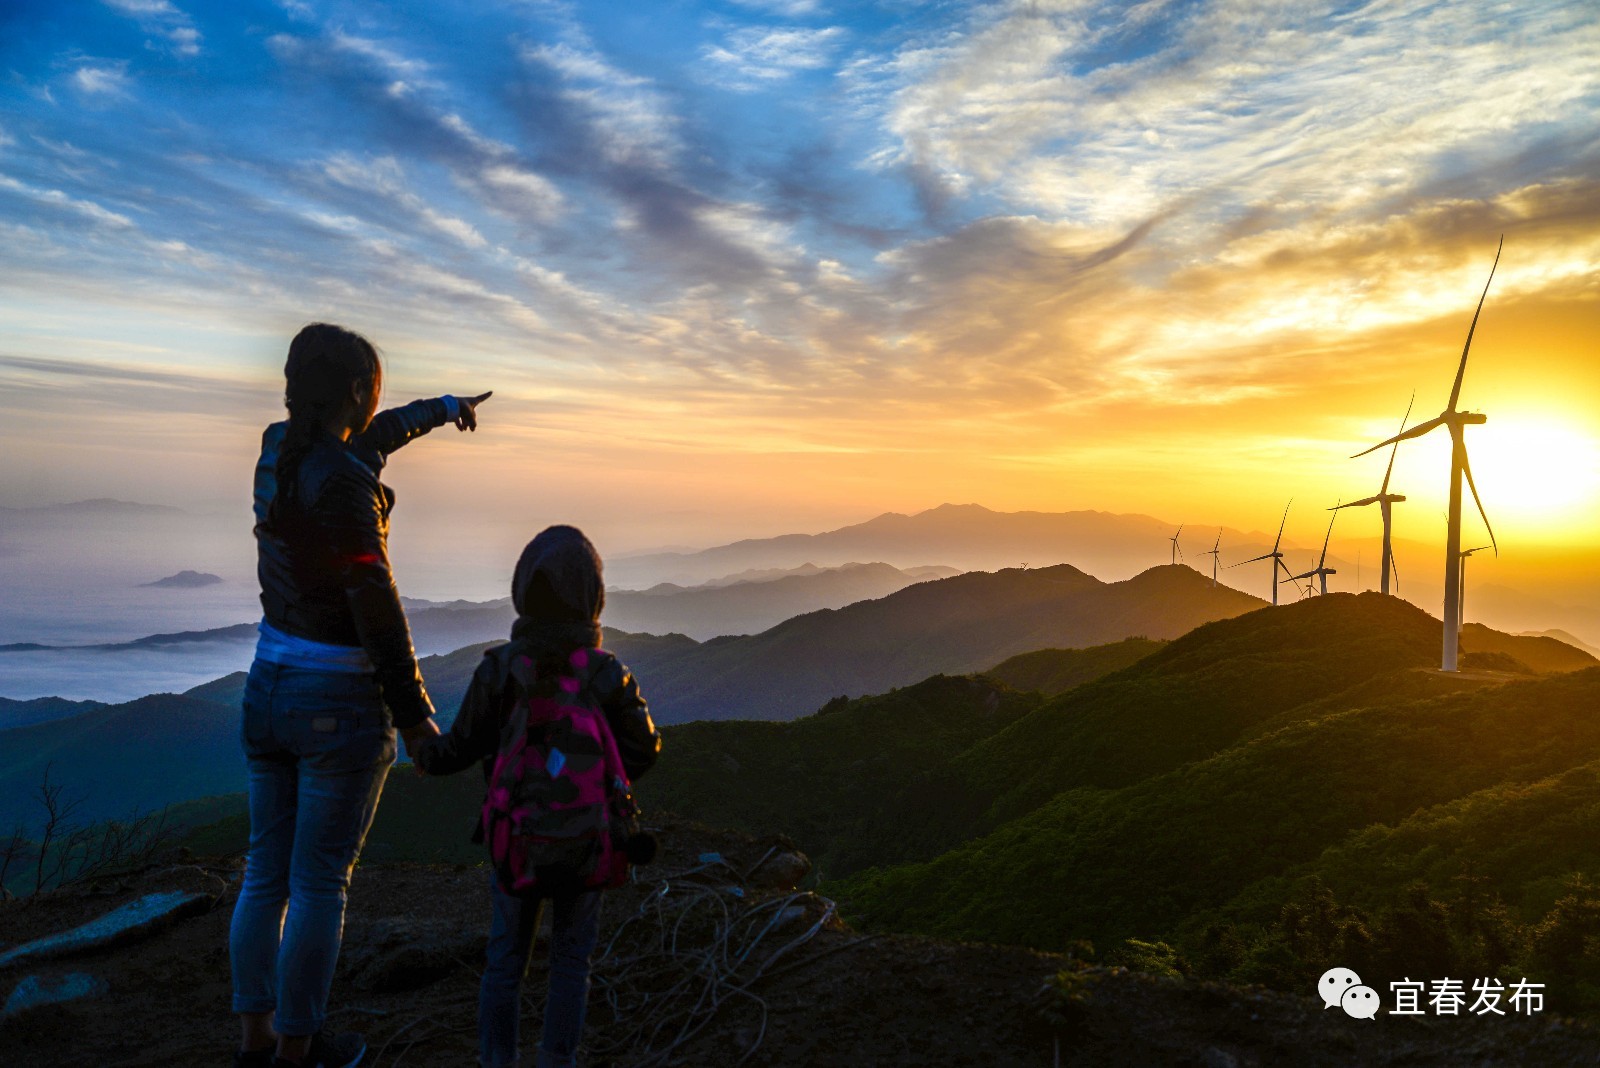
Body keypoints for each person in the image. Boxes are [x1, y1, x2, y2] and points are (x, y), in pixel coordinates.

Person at [231, 322, 491, 1068]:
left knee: (264, 873)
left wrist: (439, 407)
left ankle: (255, 1042)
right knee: (318, 883)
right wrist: (414, 718)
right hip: (336, 700)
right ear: (353, 390)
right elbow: (374, 602)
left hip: (267, 683)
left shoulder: (279, 448)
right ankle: (298, 1051)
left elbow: (368, 441)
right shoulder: (342, 481)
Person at [415, 524, 661, 1068]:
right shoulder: (606, 673)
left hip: (517, 837)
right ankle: (556, 1058)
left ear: (523, 589)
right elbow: (645, 749)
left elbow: (456, 749)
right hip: (586, 838)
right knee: (573, 961)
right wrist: (591, 787)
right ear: (592, 595)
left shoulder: (501, 669)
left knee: (505, 960)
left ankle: (496, 1060)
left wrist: (419, 740)